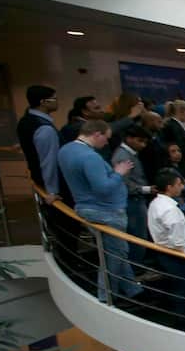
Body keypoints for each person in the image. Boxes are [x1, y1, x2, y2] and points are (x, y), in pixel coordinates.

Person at [58, 119, 142, 304]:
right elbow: (103, 187)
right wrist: (119, 172)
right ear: (97, 134)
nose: (107, 143)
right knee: (115, 254)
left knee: (117, 250)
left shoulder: (66, 150)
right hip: (106, 211)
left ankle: (132, 289)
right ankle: (106, 296)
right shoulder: (90, 157)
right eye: (106, 138)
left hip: (89, 207)